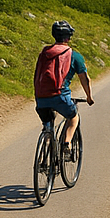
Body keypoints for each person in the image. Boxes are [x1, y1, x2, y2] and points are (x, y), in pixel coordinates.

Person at [34, 21, 94, 149]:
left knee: (48, 123)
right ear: (69, 37)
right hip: (60, 96)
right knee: (73, 117)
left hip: (41, 98)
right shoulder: (74, 55)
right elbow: (85, 80)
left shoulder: (44, 53)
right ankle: (67, 143)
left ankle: (47, 143)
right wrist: (89, 97)